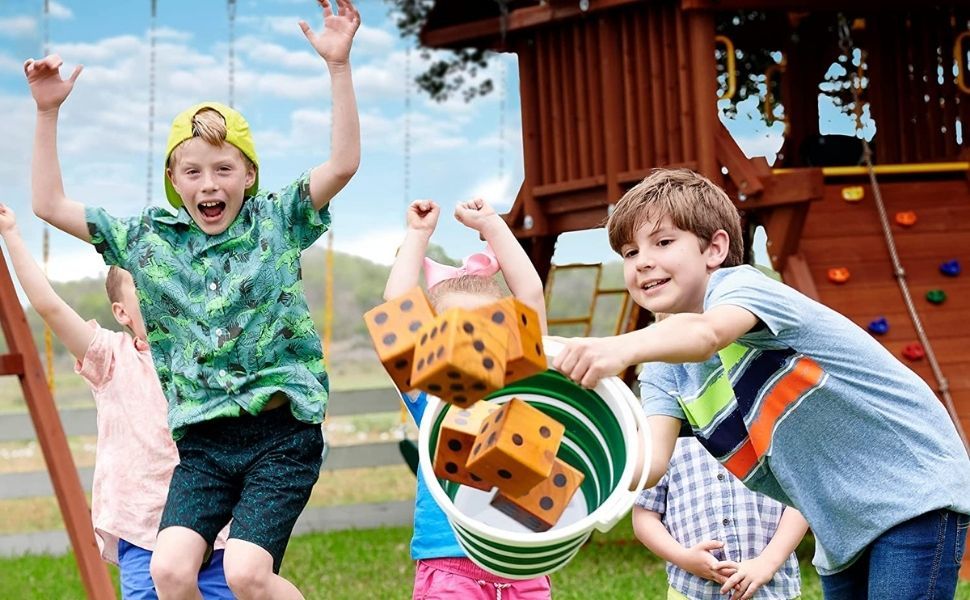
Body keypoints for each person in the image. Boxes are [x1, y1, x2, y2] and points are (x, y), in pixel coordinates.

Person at [23, 1, 360, 597]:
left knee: (247, 572)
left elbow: (343, 164)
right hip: (202, 443)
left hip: (281, 434)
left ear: (249, 174)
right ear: (174, 182)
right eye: (195, 172)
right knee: (168, 570)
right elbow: (49, 205)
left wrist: (338, 68)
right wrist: (47, 113)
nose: (211, 184)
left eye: (225, 169)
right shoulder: (147, 241)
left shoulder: (277, 221)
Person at [550, 168, 970, 598]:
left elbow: (705, 335)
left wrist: (615, 348)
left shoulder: (744, 288)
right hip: (838, 523)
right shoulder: (663, 366)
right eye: (629, 251)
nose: (642, 261)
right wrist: (565, 460)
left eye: (662, 242)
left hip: (909, 488)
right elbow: (651, 463)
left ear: (714, 248)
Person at [0, 204, 233, 599]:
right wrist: (11, 234)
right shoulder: (111, 358)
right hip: (143, 531)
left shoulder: (208, 356)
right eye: (145, 285)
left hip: (215, 532)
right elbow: (49, 306)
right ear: (122, 311)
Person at [383, 198, 552, 599]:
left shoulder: (526, 383)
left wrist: (493, 225)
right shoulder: (430, 394)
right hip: (449, 565)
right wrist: (418, 235)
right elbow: (397, 305)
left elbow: (530, 293)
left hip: (524, 565)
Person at [633, 436, 805, 600]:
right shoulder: (665, 436)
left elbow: (802, 502)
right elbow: (645, 516)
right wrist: (684, 557)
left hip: (772, 589)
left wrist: (767, 563)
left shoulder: (769, 423)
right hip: (692, 590)